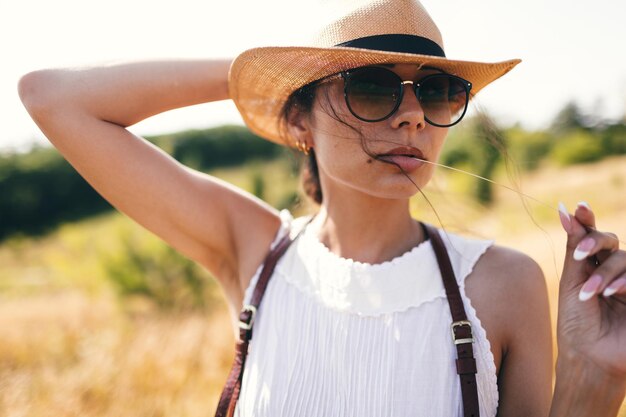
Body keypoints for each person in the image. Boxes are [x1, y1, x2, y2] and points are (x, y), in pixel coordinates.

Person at [17, 0, 625, 415]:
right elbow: (52, 98)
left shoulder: (503, 282)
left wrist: (594, 382)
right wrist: (266, 78)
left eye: (437, 90)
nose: (412, 114)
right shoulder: (255, 249)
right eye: (371, 86)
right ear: (301, 118)